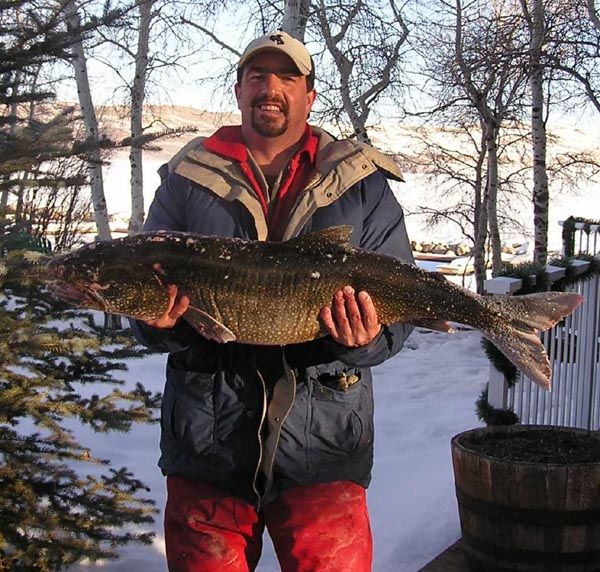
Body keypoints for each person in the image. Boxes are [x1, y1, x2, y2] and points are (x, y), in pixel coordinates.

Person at [130, 30, 414, 572]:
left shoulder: (363, 185)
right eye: (258, 76)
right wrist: (161, 323)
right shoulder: (186, 178)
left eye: (288, 77)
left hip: (324, 449)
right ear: (238, 90)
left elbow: (397, 319)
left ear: (310, 94)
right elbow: (143, 311)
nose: (271, 88)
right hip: (208, 444)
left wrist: (368, 338)